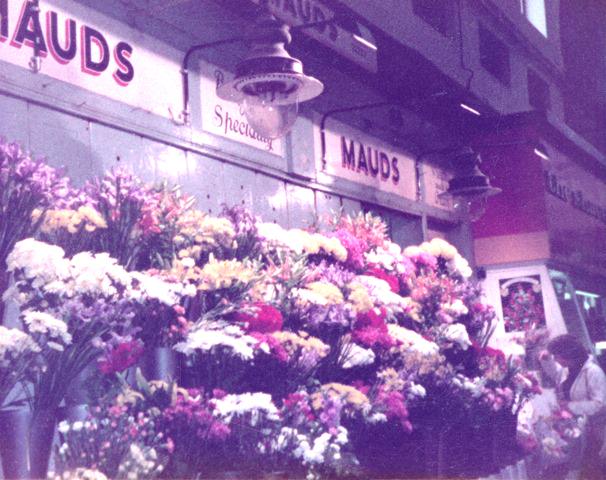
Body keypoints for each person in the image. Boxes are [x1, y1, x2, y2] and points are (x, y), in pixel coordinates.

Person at [539, 334, 606, 480]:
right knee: (579, 464)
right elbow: (556, 374)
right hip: (578, 427)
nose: (556, 359)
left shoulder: (593, 372)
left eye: (557, 356)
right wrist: (547, 360)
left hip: (597, 430)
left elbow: (600, 404)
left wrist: (570, 407)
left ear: (568, 354)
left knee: (592, 467)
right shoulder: (568, 369)